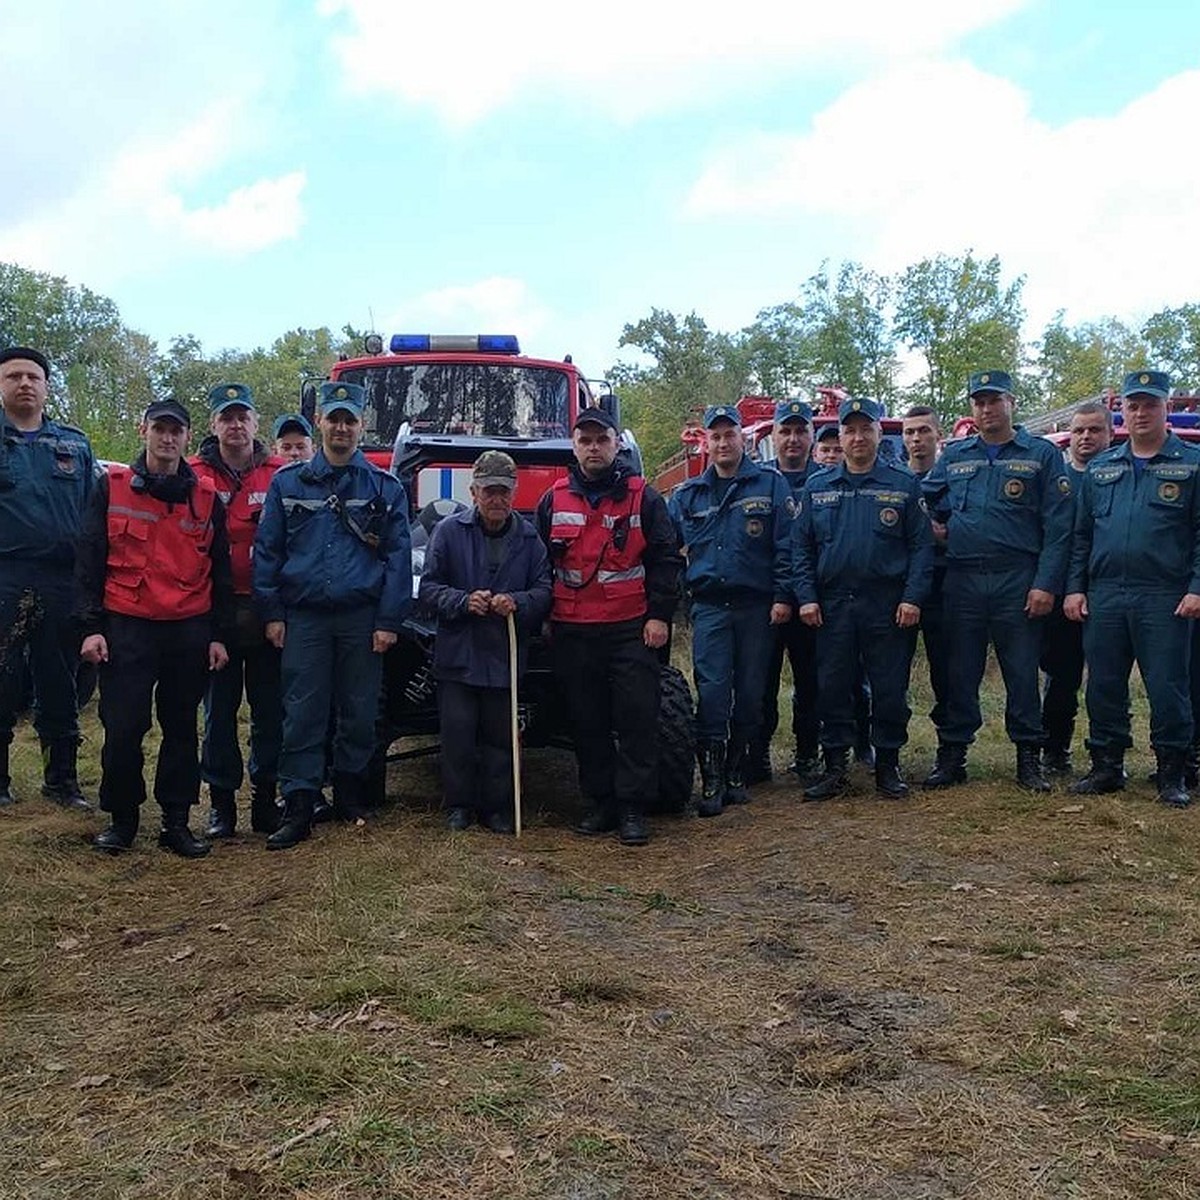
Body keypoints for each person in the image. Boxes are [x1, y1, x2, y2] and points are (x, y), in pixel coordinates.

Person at [253, 381, 412, 849]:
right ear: (319, 422)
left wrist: (388, 621)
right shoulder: (288, 483)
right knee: (302, 712)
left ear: (361, 426)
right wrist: (272, 612)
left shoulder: (384, 487)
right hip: (304, 618)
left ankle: (350, 794)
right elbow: (268, 552)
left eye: (350, 419)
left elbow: (398, 559)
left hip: (361, 618)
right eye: (333, 418)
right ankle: (299, 802)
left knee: (359, 712)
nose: (341, 427)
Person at [75, 398, 234, 856]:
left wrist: (219, 634)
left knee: (181, 727)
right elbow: (88, 561)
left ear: (187, 437)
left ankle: (177, 822)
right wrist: (90, 627)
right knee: (124, 727)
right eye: (159, 429)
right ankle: (122, 819)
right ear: (144, 430)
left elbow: (220, 573)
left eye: (176, 431)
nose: (168, 438)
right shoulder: (112, 488)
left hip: (188, 629)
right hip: (127, 626)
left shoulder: (206, 499)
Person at [536, 407, 682, 846]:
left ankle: (634, 808)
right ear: (575, 446)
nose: (594, 447)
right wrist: (543, 616)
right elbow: (540, 565)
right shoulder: (553, 499)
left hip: (630, 629)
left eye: (602, 440)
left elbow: (666, 559)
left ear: (617, 444)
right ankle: (600, 804)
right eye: (586, 440)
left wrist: (659, 616)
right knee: (587, 722)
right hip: (573, 630)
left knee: (637, 719)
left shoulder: (644, 497)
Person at [922, 370, 1072, 791]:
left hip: (1017, 578)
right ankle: (953, 756)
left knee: (1021, 671)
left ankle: (1028, 757)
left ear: (1012, 402)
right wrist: (934, 525)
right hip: (963, 577)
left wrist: (1045, 584)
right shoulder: (955, 456)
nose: (986, 409)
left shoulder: (1040, 455)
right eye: (979, 401)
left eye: (994, 400)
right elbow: (924, 498)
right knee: (959, 671)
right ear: (972, 407)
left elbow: (1058, 527)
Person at [1065, 371, 1200, 807]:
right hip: (1104, 594)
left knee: (1168, 686)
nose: (1141, 413)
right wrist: (1075, 588)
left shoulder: (1192, 464)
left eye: (1150, 405)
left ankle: (1172, 772)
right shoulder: (1103, 468)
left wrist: (1197, 587)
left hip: (1164, 595)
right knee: (1103, 684)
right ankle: (1107, 765)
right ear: (1123, 410)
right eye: (1133, 405)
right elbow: (1081, 535)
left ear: (1167, 410)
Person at [797, 398, 933, 800]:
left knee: (890, 687)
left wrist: (913, 598)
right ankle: (836, 766)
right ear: (840, 436)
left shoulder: (903, 484)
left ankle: (888, 766)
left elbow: (922, 548)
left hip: (888, 605)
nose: (858, 437)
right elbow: (800, 549)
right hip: (833, 605)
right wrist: (806, 597)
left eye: (865, 429)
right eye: (850, 430)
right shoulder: (818, 487)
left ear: (878, 433)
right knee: (833, 686)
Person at [669, 404, 792, 817]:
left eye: (730, 435)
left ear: (743, 439)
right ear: (706, 442)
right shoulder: (687, 495)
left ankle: (737, 774)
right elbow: (667, 549)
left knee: (753, 695)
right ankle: (713, 780)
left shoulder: (770, 486)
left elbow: (786, 547)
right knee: (714, 692)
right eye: (715, 436)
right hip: (710, 608)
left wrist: (782, 597)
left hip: (757, 607)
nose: (723, 443)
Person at [420, 451, 551, 832]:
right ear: (473, 492)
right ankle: (458, 806)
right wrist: (461, 601)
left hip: (504, 655)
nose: (497, 499)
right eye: (489, 491)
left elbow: (545, 590)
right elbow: (427, 589)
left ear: (514, 493)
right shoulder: (448, 532)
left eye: (503, 491)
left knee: (500, 738)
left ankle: (497, 809)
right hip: (458, 655)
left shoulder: (530, 539)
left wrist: (519, 602)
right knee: (457, 734)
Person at [0, 347, 96, 812]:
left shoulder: (74, 444)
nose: (24, 384)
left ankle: (62, 782)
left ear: (45, 386)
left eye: (33, 376)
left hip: (62, 578)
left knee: (60, 678)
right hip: (6, 575)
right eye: (13, 376)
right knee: (2, 675)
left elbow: (92, 514)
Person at [189, 383, 286, 837]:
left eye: (242, 416)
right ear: (213, 425)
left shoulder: (280, 474)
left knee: (269, 713)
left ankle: (265, 800)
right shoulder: (192, 474)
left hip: (267, 612)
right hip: (216, 614)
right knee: (219, 715)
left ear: (255, 422)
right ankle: (221, 805)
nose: (235, 425)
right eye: (226, 417)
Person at [748, 399, 821, 782]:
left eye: (800, 431)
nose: (793, 439)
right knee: (762, 681)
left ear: (812, 435)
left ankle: (809, 753)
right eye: (785, 431)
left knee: (812, 682)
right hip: (769, 599)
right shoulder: (756, 482)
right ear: (773, 436)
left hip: (812, 600)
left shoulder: (827, 480)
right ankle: (757, 755)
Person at [1040, 401, 1113, 774]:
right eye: (1079, 430)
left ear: (1110, 434)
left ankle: (1108, 755)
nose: (1085, 437)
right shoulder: (1056, 479)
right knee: (1062, 676)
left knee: (1106, 679)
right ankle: (1054, 750)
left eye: (1094, 430)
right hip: (1061, 593)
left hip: (1106, 590)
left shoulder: (1117, 474)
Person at [901, 405, 950, 742]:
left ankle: (950, 748)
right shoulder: (892, 480)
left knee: (947, 671)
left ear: (938, 435)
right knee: (890, 672)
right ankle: (884, 747)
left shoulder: (955, 478)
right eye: (909, 432)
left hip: (944, 584)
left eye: (923, 431)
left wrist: (944, 533)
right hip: (899, 588)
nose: (916, 439)